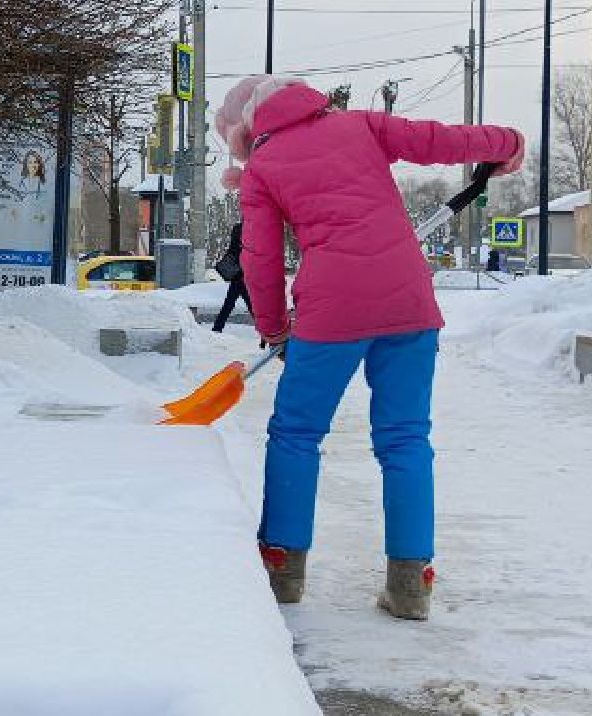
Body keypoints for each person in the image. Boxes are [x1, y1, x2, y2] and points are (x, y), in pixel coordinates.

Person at [216, 74, 523, 621]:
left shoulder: (263, 169)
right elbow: (441, 141)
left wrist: (275, 326)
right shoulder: (361, 124)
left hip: (330, 308)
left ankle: (282, 571)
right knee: (406, 438)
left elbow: (259, 258)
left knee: (296, 434)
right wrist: (508, 143)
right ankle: (411, 584)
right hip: (408, 302)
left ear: (245, 129)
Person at [210, 222, 249, 333]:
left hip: (237, 273)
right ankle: (264, 331)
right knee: (250, 304)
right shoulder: (249, 230)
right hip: (242, 273)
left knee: (230, 303)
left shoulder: (237, 228)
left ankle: (217, 328)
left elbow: (232, 249)